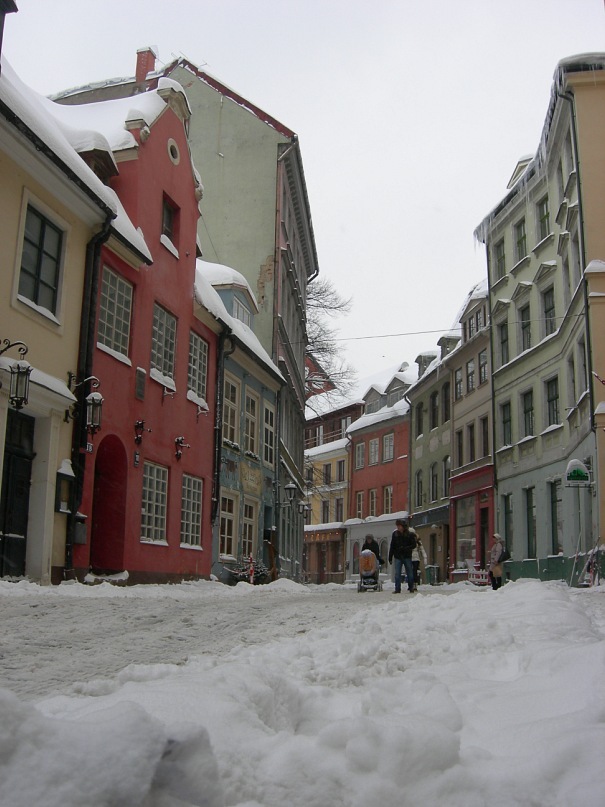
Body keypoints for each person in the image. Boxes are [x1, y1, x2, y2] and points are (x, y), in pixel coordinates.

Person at [388, 519, 417, 593]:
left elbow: (414, 545)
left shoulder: (409, 534)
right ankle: (397, 588)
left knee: (409, 573)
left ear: (403, 526)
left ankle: (411, 587)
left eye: (399, 526)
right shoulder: (395, 534)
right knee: (397, 573)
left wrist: (406, 548)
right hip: (398, 556)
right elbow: (392, 546)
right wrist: (390, 556)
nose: (398, 527)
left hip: (407, 556)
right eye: (397, 526)